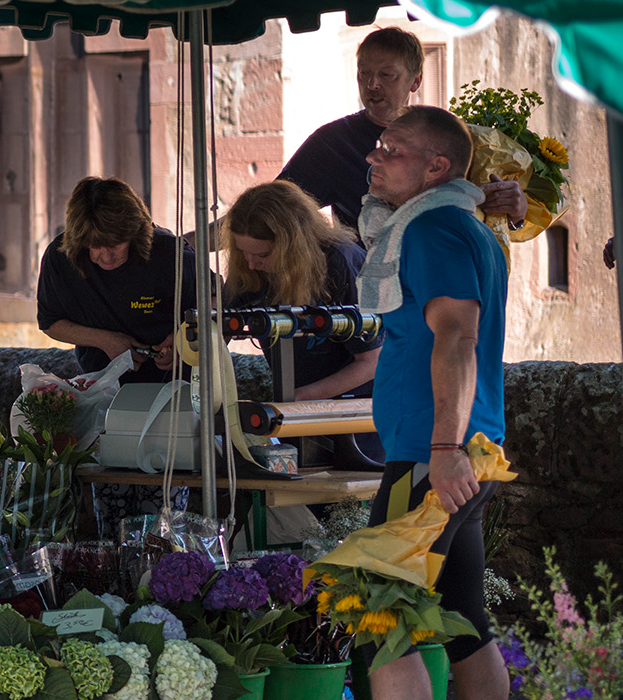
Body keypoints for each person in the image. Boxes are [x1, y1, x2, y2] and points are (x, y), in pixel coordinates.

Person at [358, 106, 510, 700]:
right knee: (464, 621)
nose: (374, 156)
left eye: (392, 150)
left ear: (435, 167)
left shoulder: (432, 228)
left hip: (434, 453)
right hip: (467, 449)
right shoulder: (462, 224)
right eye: (378, 144)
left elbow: (457, 337)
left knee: (379, 622)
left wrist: (442, 449)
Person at [276, 27, 525, 231]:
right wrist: (333, 250)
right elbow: (276, 208)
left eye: (387, 75)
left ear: (415, 80)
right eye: (364, 74)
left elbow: (492, 219)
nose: (372, 85)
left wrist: (516, 212)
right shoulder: (332, 143)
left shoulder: (450, 137)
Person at [223, 180, 384, 402]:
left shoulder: (340, 263)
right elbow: (219, 324)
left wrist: (300, 398)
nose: (251, 265)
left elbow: (372, 359)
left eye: (263, 255)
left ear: (293, 246)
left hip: (359, 406)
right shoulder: (251, 268)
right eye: (243, 253)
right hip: (296, 396)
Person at [36, 176, 198, 385]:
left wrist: (182, 339)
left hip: (178, 383)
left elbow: (213, 302)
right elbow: (50, 322)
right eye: (94, 246)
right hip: (101, 383)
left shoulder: (170, 253)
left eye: (116, 245)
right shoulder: (60, 256)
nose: (106, 256)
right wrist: (104, 340)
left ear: (135, 233)